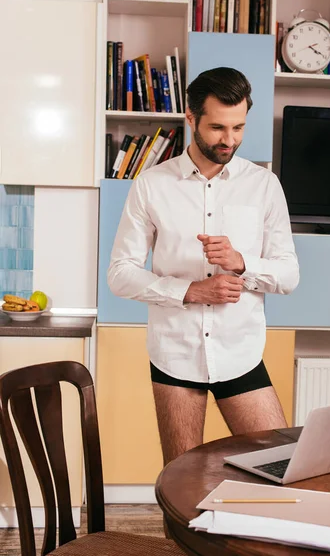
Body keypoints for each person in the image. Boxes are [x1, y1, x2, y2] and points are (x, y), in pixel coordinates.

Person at [108, 67, 299, 466]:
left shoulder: (264, 185)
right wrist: (191, 291)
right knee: (182, 481)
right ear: (191, 118)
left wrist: (242, 262)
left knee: (281, 466)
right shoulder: (151, 184)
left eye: (239, 128)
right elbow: (121, 273)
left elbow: (288, 274)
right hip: (175, 355)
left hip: (240, 353)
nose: (229, 140)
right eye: (217, 128)